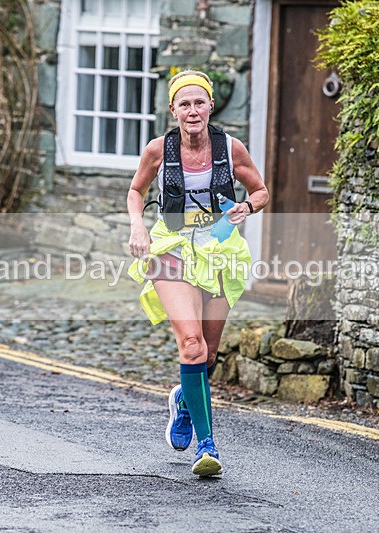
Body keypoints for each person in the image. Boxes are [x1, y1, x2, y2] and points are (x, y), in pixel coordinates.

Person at [127, 70, 269, 477]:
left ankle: (184, 401)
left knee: (209, 350)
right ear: (173, 110)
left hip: (219, 249)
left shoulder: (230, 147)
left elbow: (260, 191)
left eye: (199, 102)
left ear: (210, 106)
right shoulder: (158, 150)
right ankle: (206, 447)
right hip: (170, 247)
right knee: (191, 345)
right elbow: (136, 190)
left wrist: (248, 207)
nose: (193, 111)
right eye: (184, 104)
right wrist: (138, 226)